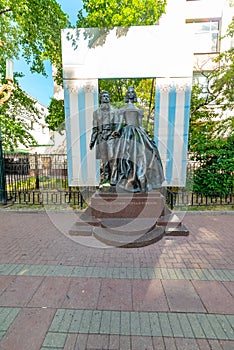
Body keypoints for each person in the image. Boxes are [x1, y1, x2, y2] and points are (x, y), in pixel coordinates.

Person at [110, 86, 164, 192]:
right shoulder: (123, 110)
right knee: (123, 156)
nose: (130, 94)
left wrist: (146, 135)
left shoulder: (138, 110)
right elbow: (121, 123)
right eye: (129, 93)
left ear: (134, 95)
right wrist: (116, 131)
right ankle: (126, 179)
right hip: (126, 134)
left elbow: (140, 125)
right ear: (127, 95)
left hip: (137, 134)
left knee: (142, 154)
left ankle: (138, 180)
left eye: (132, 93)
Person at [89, 90, 117, 184]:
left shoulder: (114, 111)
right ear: (101, 99)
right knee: (104, 159)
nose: (105, 98)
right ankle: (106, 177)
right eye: (104, 96)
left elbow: (118, 125)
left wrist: (115, 132)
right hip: (101, 136)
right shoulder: (96, 113)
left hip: (111, 136)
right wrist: (92, 141)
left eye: (107, 96)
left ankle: (114, 177)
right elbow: (95, 127)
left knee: (112, 157)